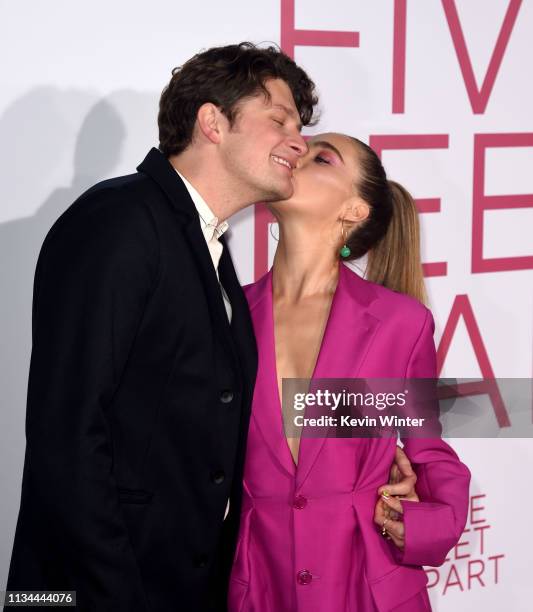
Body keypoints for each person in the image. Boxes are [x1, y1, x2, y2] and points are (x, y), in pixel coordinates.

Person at [5, 42, 318, 612]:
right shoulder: (120, 221)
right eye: (279, 120)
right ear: (212, 122)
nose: (300, 143)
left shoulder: (210, 246)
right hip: (93, 589)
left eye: (305, 133)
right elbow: (68, 434)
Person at [228, 133, 471, 611]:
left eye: (321, 157)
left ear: (354, 211)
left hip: (366, 585)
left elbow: (429, 453)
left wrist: (422, 520)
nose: (297, 153)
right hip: (259, 587)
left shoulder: (402, 323)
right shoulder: (228, 314)